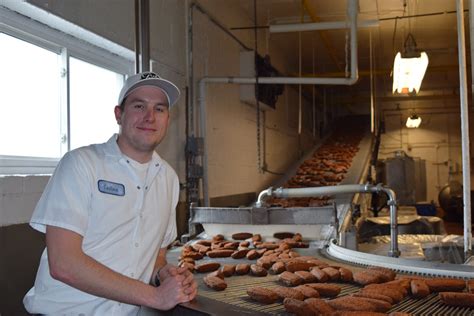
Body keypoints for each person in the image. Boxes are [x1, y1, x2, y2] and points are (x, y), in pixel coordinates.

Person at [23, 71, 198, 315]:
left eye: (159, 109)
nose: (150, 117)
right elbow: (64, 263)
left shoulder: (168, 178)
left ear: (168, 118)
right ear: (119, 114)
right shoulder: (82, 164)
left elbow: (156, 256)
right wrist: (155, 296)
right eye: (139, 106)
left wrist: (162, 273)